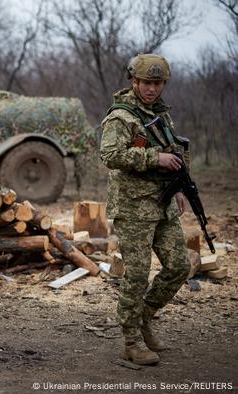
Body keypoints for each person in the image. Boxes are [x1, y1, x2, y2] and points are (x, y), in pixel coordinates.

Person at [100, 54, 190, 365]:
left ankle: (144, 317)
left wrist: (178, 186)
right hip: (134, 207)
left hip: (163, 203)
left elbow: (173, 151)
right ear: (134, 82)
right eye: (147, 83)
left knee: (179, 265)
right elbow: (110, 154)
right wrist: (154, 159)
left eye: (158, 83)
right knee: (137, 275)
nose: (152, 89)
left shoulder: (161, 114)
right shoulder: (121, 116)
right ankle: (131, 340)